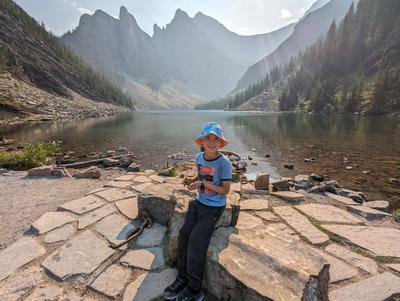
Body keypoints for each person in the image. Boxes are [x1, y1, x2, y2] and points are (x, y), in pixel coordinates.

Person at [164, 122, 232, 301]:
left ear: (220, 142)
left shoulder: (224, 163)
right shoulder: (199, 158)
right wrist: (191, 180)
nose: (211, 142)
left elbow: (225, 190)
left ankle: (195, 288)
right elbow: (200, 177)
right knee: (184, 234)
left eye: (215, 139)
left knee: (196, 240)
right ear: (202, 141)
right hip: (199, 202)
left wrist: (202, 184)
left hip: (215, 207)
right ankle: (182, 277)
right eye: (207, 139)